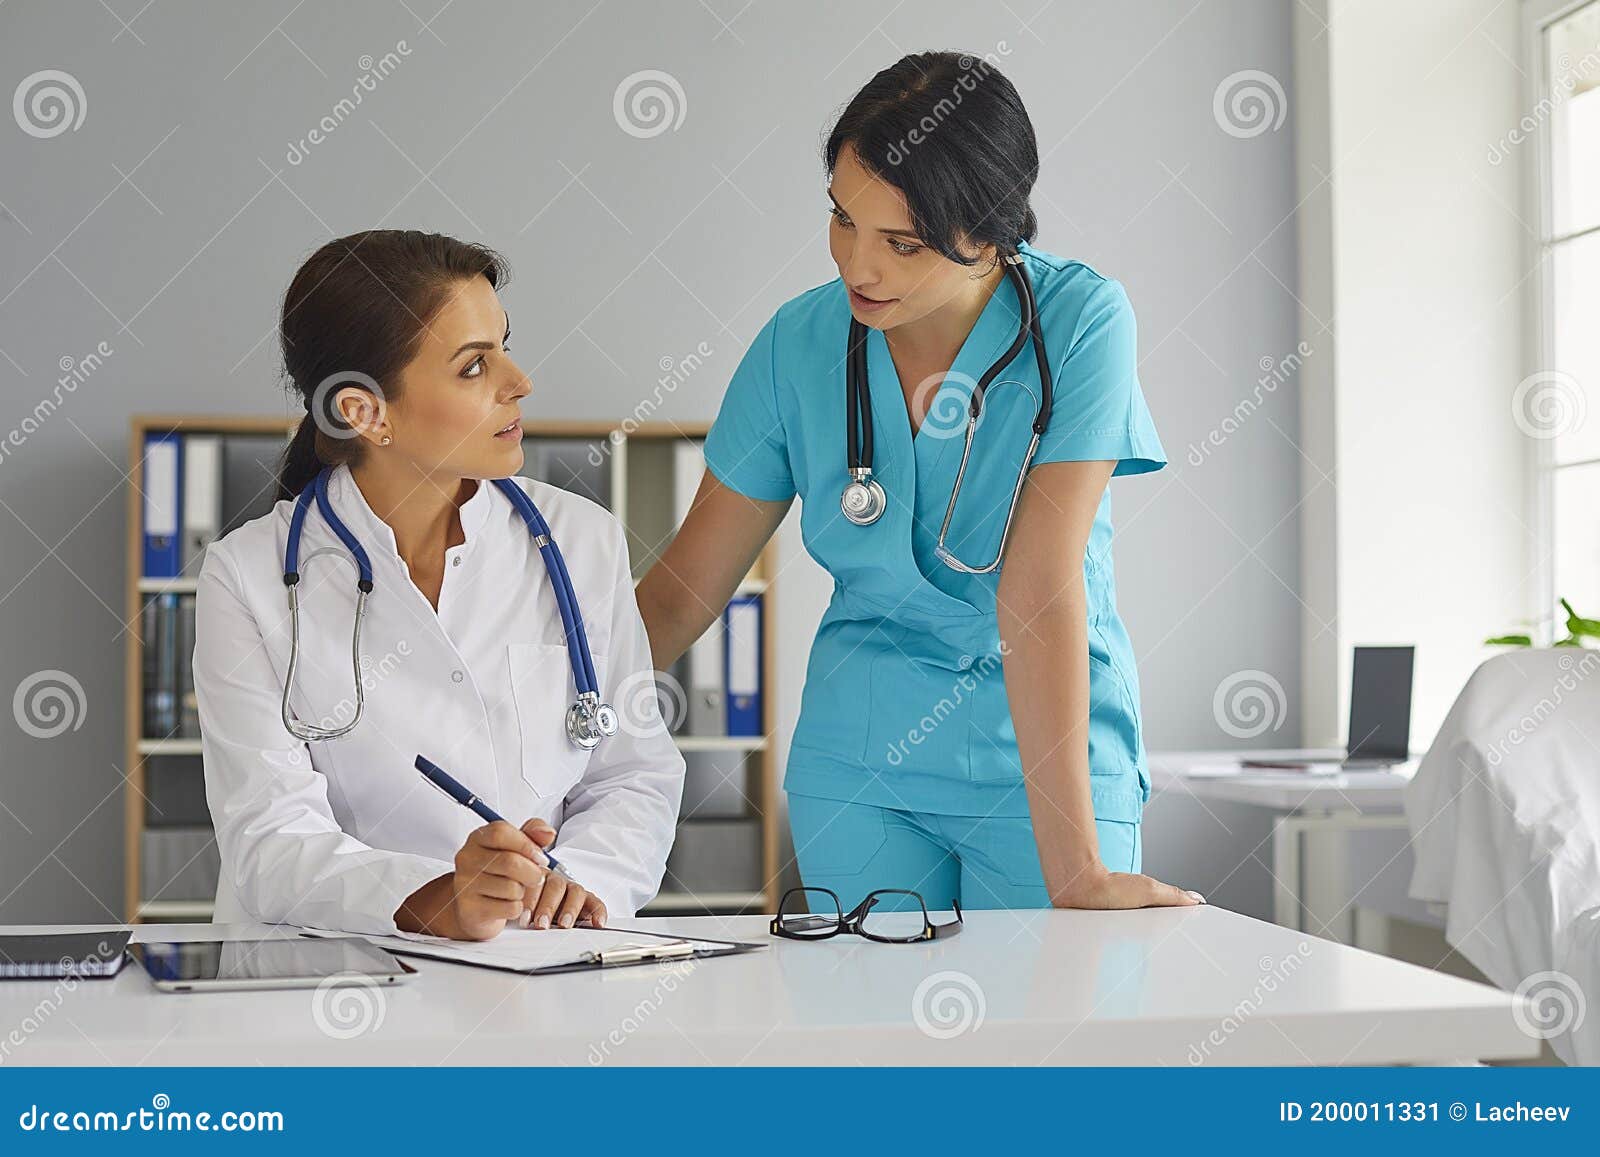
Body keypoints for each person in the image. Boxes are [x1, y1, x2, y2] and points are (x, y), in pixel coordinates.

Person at [636, 54, 1202, 914]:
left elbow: (1039, 587)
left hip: (1044, 766)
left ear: (993, 233)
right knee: (872, 1041)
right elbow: (682, 592)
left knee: (1052, 1038)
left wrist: (1079, 871)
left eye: (901, 243)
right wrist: (540, 740)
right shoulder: (798, 343)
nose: (857, 267)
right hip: (858, 761)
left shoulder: (1081, 322)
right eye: (841, 220)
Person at [195, 229, 684, 941]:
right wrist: (438, 897)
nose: (519, 381)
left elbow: (632, 774)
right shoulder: (248, 576)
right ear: (366, 411)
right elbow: (269, 836)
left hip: (539, 962)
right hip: (331, 977)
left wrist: (576, 886)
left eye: (505, 346)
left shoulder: (581, 541)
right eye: (473, 367)